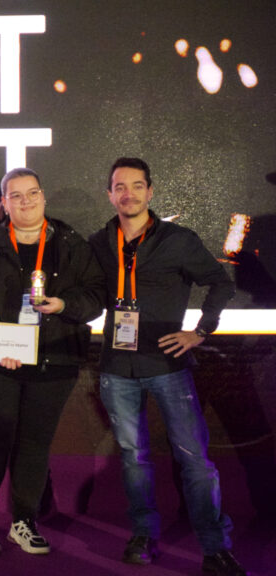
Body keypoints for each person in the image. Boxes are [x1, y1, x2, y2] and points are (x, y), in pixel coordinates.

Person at [89, 157, 246, 575]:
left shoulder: (178, 239)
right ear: (110, 194)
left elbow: (221, 282)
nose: (129, 194)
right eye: (120, 187)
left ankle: (214, 546)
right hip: (116, 368)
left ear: (150, 191)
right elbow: (86, 294)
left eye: (137, 186)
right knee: (133, 458)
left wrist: (200, 331)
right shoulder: (98, 243)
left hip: (168, 366)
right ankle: (144, 534)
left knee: (193, 458)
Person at [0, 167, 106, 556]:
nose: (25, 202)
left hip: (53, 358)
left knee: (34, 444)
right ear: (3, 203)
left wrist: (63, 304)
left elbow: (96, 297)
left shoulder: (72, 242)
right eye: (16, 196)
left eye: (32, 194)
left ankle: (23, 521)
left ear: (43, 197)